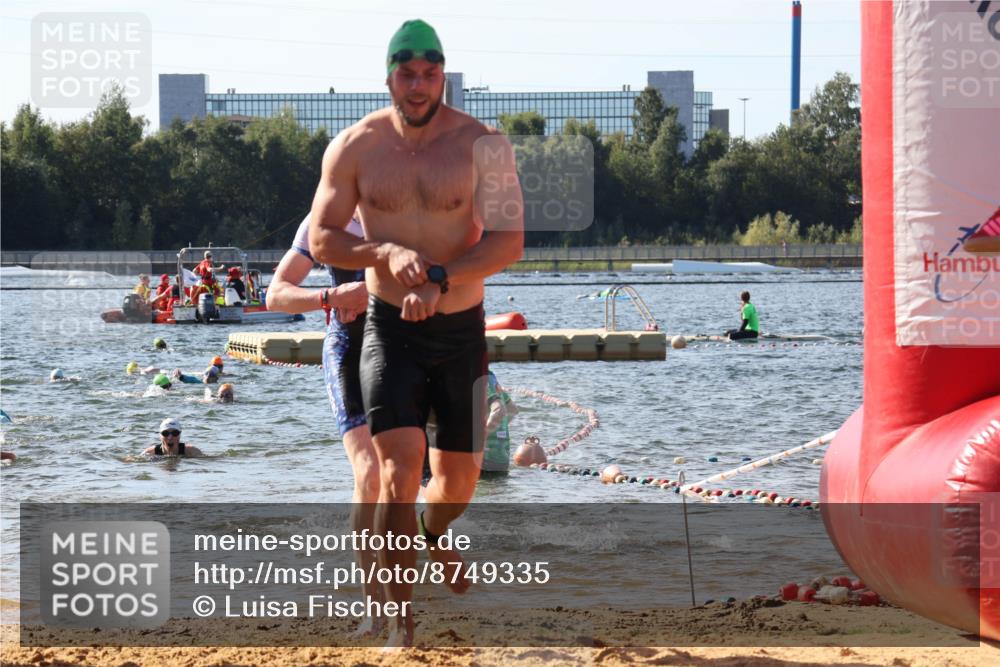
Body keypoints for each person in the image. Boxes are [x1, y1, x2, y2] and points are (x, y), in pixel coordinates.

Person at [309, 18, 523, 647]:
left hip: (462, 332)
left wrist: (438, 279)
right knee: (397, 472)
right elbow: (324, 237)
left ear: (444, 77)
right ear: (389, 78)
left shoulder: (484, 146)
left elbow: (509, 242)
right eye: (408, 74)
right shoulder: (354, 146)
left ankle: (435, 534)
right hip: (389, 330)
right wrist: (383, 251)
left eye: (431, 74)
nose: (420, 85)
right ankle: (397, 623)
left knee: (456, 488)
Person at [266, 212, 383, 637]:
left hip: (403, 348)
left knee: (420, 480)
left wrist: (371, 292)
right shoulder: (320, 222)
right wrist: (332, 296)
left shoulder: (407, 204)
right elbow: (275, 295)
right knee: (369, 475)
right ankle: (377, 609)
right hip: (348, 348)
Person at [482, 370, 518, 475]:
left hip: (485, 457)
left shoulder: (480, 378)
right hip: (501, 457)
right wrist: (497, 429)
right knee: (498, 490)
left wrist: (482, 437)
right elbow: (512, 409)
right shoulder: (492, 379)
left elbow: (499, 411)